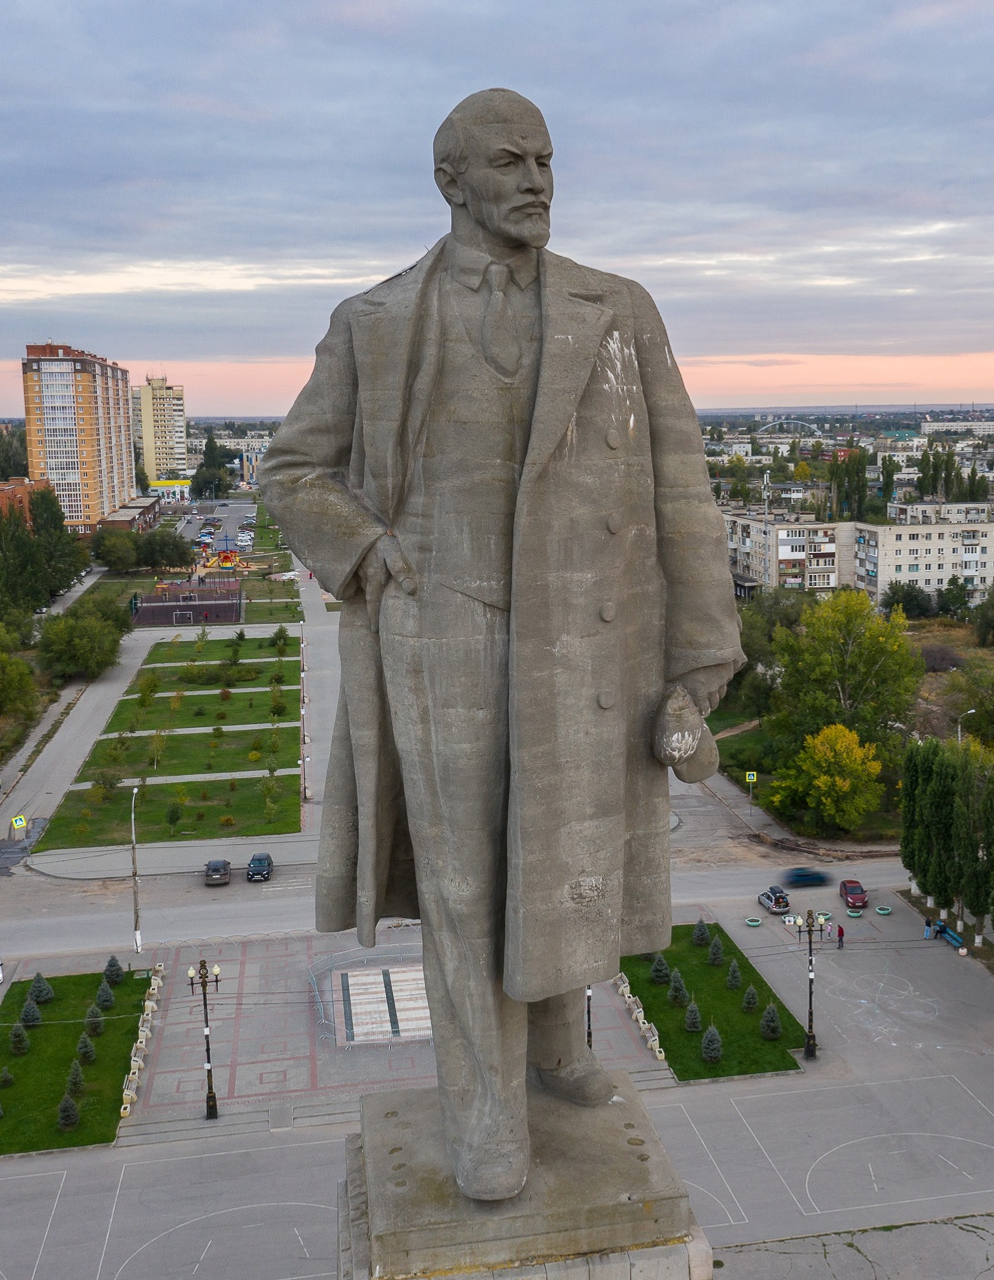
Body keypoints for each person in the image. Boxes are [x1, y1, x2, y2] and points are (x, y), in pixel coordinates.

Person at [259, 88, 743, 1203]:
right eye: (510, 162)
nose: (537, 180)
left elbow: (685, 492)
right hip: (441, 638)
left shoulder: (618, 310)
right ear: (452, 183)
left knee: (562, 853)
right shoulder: (375, 322)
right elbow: (290, 470)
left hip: (585, 644)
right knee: (466, 878)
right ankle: (483, 1107)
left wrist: (700, 659)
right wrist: (372, 556)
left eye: (547, 159)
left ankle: (561, 1053)